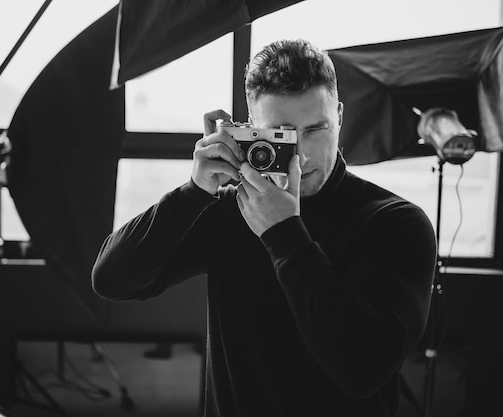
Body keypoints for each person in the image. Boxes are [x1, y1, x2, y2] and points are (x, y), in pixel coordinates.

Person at [92, 39, 437, 416]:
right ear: (252, 129)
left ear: (339, 115)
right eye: (284, 134)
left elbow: (363, 369)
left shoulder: (395, 222)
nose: (302, 155)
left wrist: (284, 233)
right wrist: (194, 192)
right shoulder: (231, 209)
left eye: (317, 128)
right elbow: (112, 279)